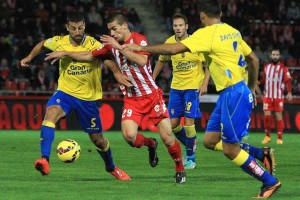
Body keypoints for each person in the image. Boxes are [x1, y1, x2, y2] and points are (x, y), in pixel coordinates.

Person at [124, 0, 281, 198]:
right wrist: (250, 87)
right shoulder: (232, 31)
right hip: (229, 93)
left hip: (234, 94)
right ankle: (260, 153)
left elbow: (173, 49)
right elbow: (254, 60)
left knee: (230, 150)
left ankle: (269, 182)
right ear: (221, 13)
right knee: (209, 140)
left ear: (202, 17)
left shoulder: (206, 33)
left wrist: (140, 48)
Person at [44, 12, 186, 183]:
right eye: (110, 30)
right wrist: (65, 53)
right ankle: (150, 144)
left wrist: (118, 47)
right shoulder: (111, 46)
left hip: (151, 96)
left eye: (114, 29)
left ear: (124, 26)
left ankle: (179, 168)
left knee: (167, 137)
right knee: (129, 137)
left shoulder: (138, 39)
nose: (112, 34)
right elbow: (89, 55)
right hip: (132, 99)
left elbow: (141, 61)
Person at [20, 11, 131, 181]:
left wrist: (116, 72)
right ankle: (44, 159)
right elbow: (43, 44)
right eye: (73, 28)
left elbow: (107, 58)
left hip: (88, 99)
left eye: (80, 28)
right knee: (50, 115)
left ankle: (111, 167)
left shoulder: (93, 44)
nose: (77, 31)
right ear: (67, 28)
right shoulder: (59, 41)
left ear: (84, 26)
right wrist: (29, 57)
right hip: (65, 93)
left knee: (98, 140)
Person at [153, 13, 210, 169]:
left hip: (192, 88)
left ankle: (191, 158)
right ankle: (190, 145)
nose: (178, 28)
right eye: (175, 26)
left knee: (189, 123)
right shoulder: (169, 43)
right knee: (173, 124)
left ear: (186, 27)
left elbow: (208, 65)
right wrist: (152, 79)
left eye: (180, 25)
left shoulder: (196, 43)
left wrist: (205, 83)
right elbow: (161, 61)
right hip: (176, 88)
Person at [259, 49, 293, 145]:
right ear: (271, 56)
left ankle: (279, 138)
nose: (275, 56)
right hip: (267, 96)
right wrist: (258, 82)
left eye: (276, 55)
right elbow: (264, 79)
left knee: (278, 117)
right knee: (267, 116)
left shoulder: (283, 68)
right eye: (273, 54)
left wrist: (289, 92)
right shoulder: (266, 67)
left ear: (279, 56)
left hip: (278, 96)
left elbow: (287, 81)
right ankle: (267, 136)